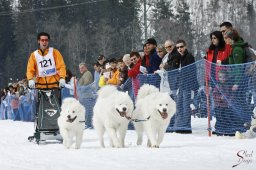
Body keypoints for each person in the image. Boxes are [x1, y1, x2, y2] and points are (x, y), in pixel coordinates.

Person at [174, 39, 198, 134]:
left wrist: (193, 87)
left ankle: (186, 127)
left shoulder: (189, 57)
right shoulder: (178, 57)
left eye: (181, 47)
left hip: (187, 85)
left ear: (185, 46)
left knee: (185, 106)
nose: (179, 49)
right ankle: (180, 126)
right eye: (178, 47)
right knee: (179, 105)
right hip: (180, 85)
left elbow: (192, 72)